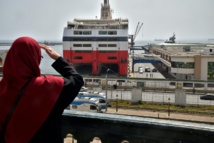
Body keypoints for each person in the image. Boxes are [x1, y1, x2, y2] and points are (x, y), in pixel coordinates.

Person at [0, 37, 84, 143]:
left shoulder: (3, 88)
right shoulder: (47, 86)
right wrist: (58, 59)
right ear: (34, 59)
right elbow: (77, 80)